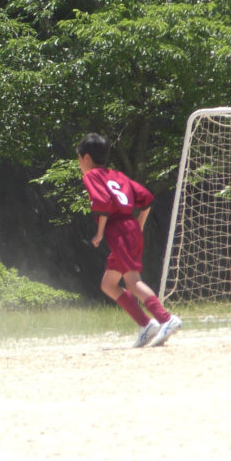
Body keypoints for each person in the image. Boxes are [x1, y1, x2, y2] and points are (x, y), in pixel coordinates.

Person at [77, 132, 181, 347]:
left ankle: (166, 319)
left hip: (118, 230)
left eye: (79, 159)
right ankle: (146, 325)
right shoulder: (117, 175)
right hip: (130, 227)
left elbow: (102, 202)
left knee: (133, 281)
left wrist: (99, 233)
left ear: (86, 158)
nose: (79, 164)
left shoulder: (91, 176)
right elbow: (146, 199)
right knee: (108, 284)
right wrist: (138, 226)